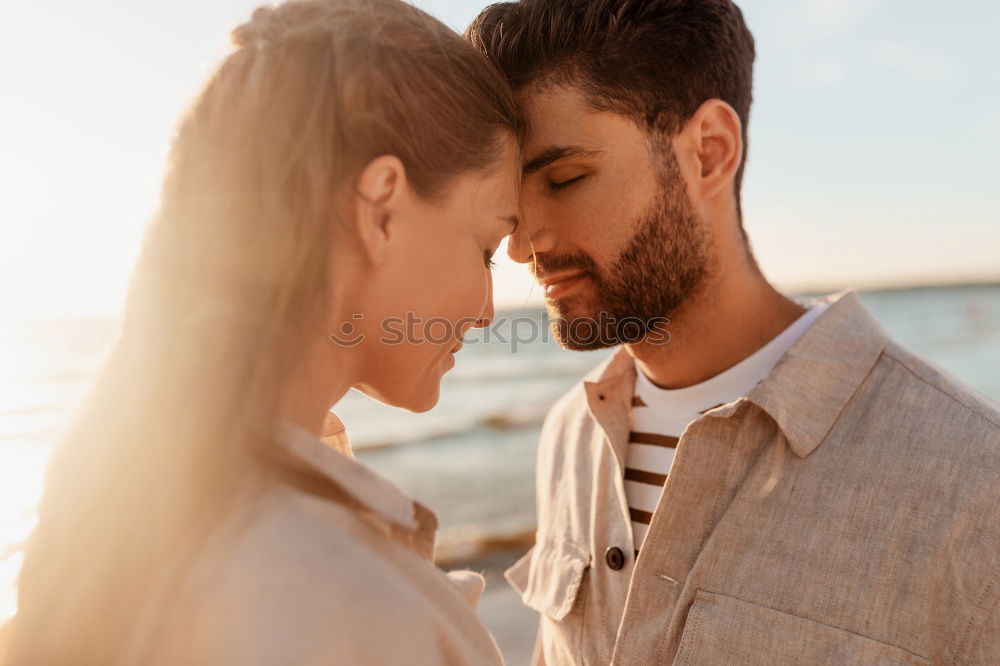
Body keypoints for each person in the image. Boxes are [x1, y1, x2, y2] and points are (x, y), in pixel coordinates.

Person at [466, 0, 1000, 663]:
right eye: (512, 200)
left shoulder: (977, 481)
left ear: (707, 153)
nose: (524, 245)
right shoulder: (570, 436)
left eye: (565, 178)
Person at [1, 1, 523, 664]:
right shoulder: (338, 601)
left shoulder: (119, 512)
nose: (486, 310)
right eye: (486, 246)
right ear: (381, 209)